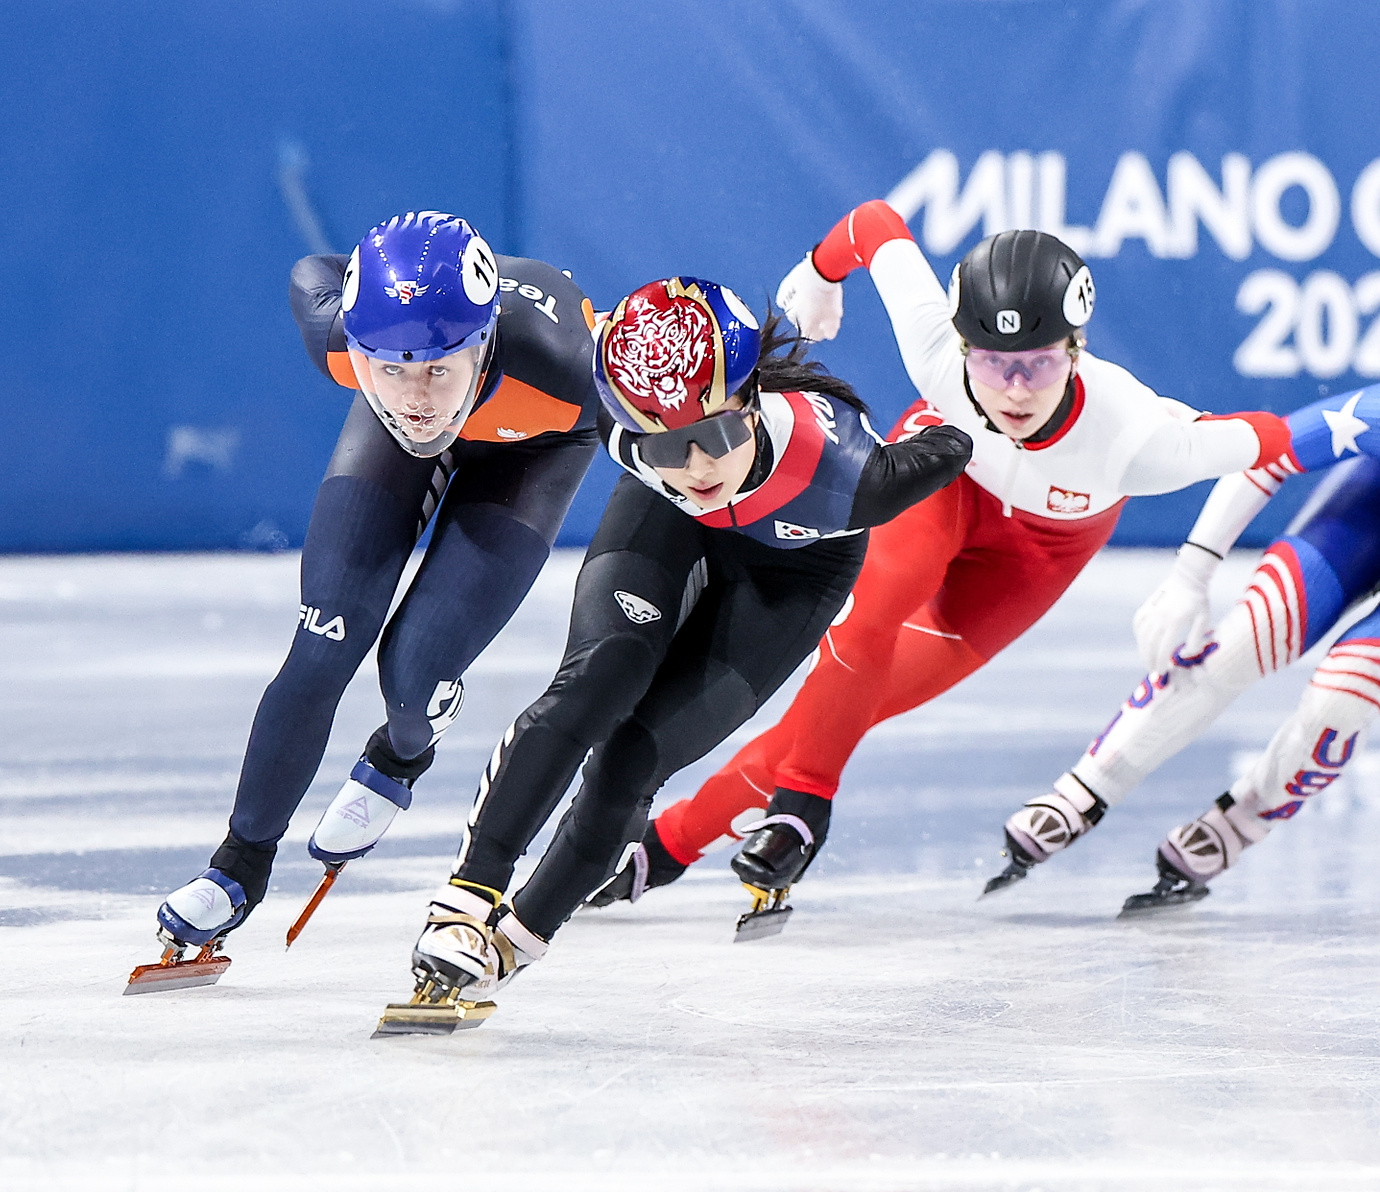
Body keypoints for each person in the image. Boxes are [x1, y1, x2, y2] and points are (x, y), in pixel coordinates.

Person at [588, 199, 1298, 911]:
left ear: (1077, 350)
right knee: (866, 621)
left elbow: (1284, 436)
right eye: (991, 362)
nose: (1014, 388)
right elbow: (874, 225)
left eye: (1039, 363)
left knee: (839, 713)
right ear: (961, 348)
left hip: (1033, 558)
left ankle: (668, 845)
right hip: (947, 479)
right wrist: (819, 272)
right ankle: (802, 812)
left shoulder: (1138, 439)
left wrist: (1199, 549)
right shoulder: (935, 354)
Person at [377, 276, 973, 1031]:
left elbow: (957, 438)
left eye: (718, 433)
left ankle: (516, 943)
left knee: (633, 758)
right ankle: (464, 904)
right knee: (598, 679)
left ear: (751, 396)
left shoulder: (853, 476)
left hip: (793, 571)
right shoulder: (623, 421)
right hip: (665, 525)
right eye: (663, 441)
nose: (695, 465)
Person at [994, 294, 1380, 926]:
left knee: (1342, 697)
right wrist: (1191, 575)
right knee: (1248, 636)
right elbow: (1262, 452)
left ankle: (1241, 820)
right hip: (1379, 513)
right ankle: (1083, 790)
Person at [140, 212, 603, 981]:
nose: (415, 397)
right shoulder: (339, 338)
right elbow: (311, 270)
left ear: (484, 342)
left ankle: (399, 757)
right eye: (387, 367)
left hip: (534, 446)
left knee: (414, 671)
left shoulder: (567, 366)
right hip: (399, 424)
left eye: (436, 370)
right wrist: (401, 373)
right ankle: (238, 862)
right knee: (321, 648)